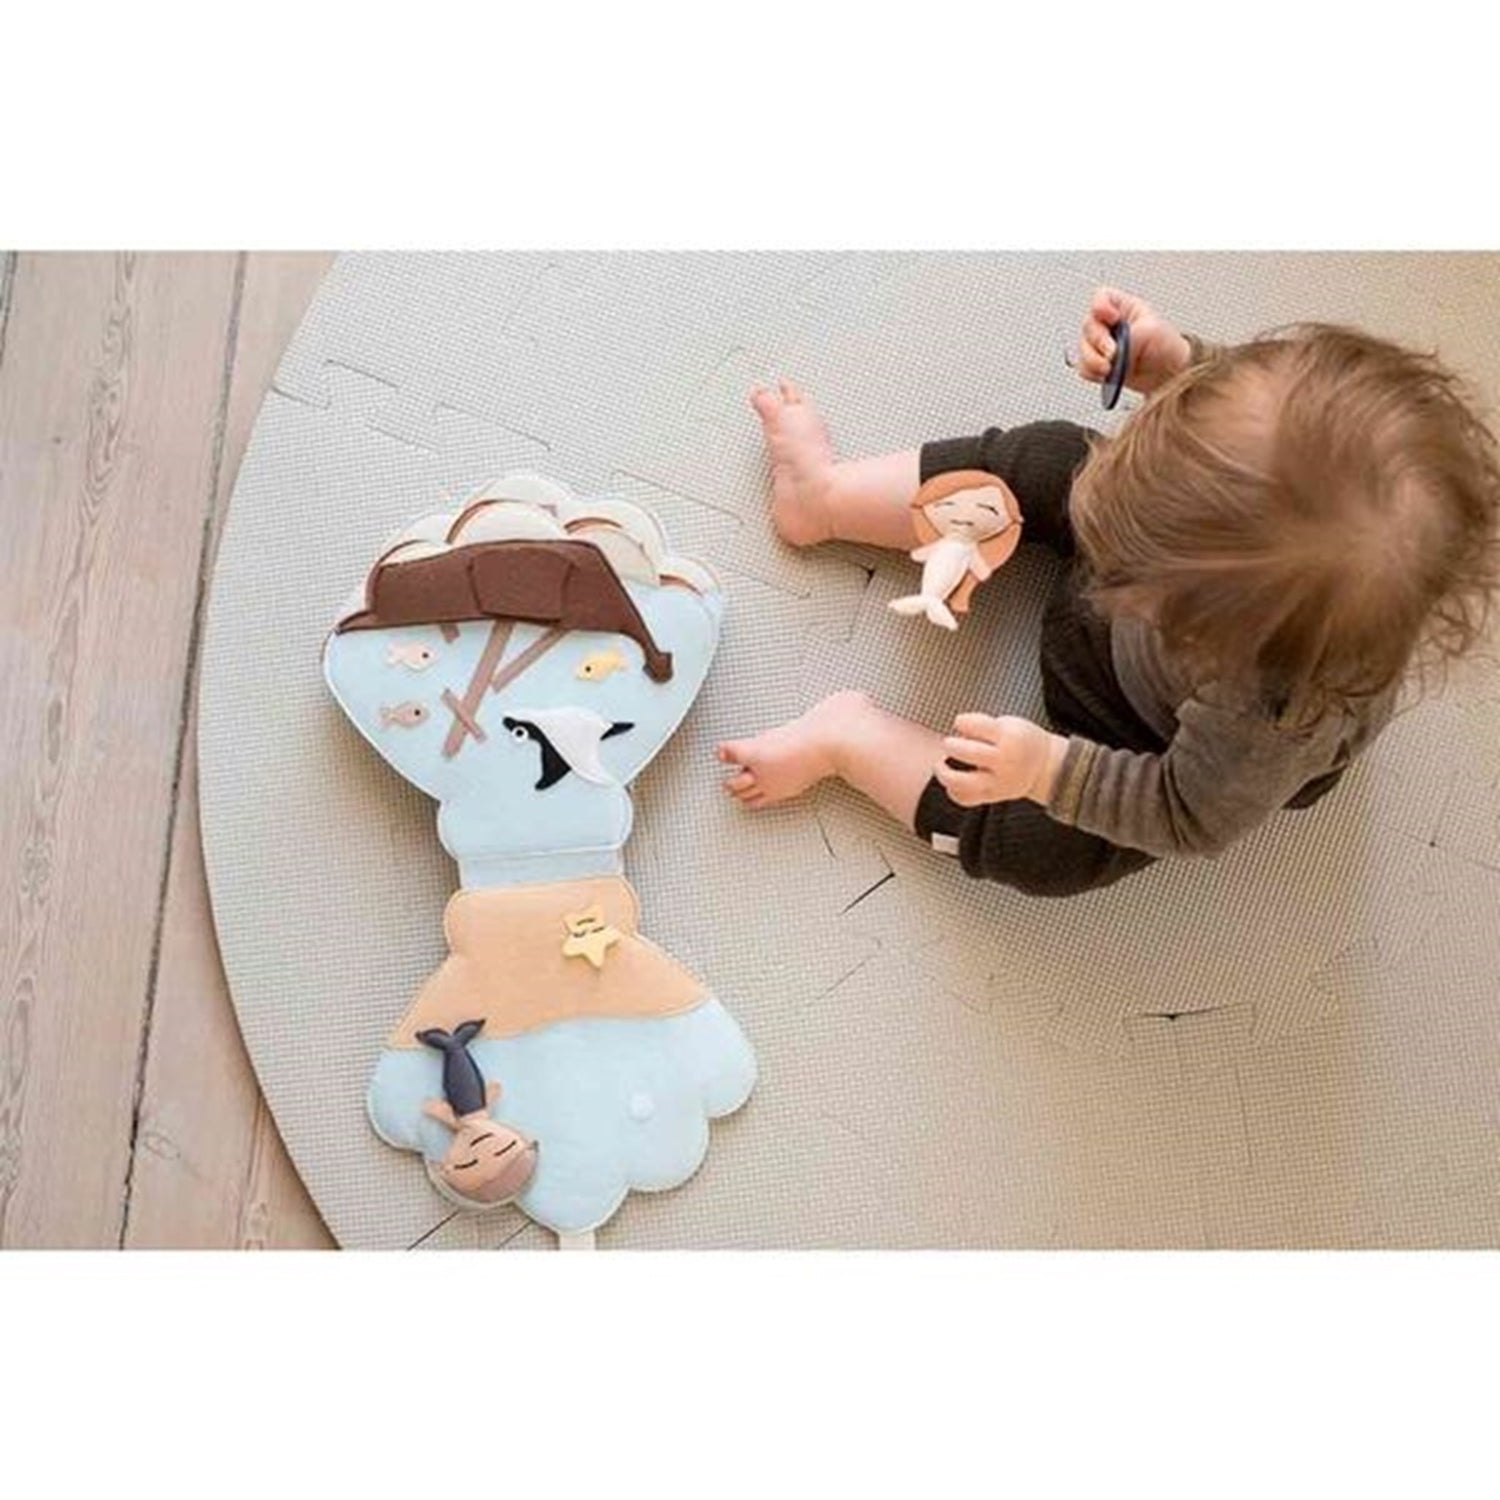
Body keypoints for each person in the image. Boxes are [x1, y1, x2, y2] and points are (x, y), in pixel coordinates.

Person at [716, 287, 1500, 897]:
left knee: (1048, 854)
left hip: (1123, 732)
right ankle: (825, 497)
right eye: (1158, 443)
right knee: (1057, 455)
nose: (1106, 495)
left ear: (1203, 632)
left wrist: (1048, 771)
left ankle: (851, 740)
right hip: (1167, 606)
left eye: (1133, 547)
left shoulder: (1267, 719)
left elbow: (1186, 816)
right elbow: (1241, 394)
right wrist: (1175, 365)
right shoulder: (1282, 440)